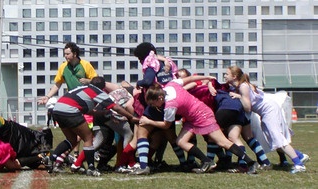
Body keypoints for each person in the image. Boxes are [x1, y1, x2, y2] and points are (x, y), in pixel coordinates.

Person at [134, 75, 259, 175]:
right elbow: (190, 78)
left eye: (153, 103)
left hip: (203, 116)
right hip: (193, 117)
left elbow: (166, 126)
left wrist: (149, 122)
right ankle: (207, 161)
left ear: (160, 97)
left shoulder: (170, 106)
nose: (154, 107)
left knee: (222, 142)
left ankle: (251, 163)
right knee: (181, 142)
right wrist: (206, 77)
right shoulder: (171, 85)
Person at [48, 76, 140, 176]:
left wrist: (101, 113)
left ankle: (51, 159)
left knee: (72, 140)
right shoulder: (97, 91)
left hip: (57, 109)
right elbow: (116, 107)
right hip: (70, 110)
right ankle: (91, 168)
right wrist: (131, 117)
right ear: (103, 87)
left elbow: (87, 110)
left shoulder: (82, 88)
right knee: (88, 139)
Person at [224, 66, 309, 174]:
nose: (225, 76)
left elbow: (248, 107)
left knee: (277, 139)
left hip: (269, 111)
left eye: (226, 74)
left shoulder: (243, 87)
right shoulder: (239, 86)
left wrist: (238, 97)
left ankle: (299, 164)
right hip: (267, 111)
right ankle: (300, 156)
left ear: (234, 76)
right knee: (272, 140)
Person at [131, 42, 192, 173]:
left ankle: (143, 166)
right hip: (169, 100)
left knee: (142, 132)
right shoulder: (167, 63)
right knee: (171, 136)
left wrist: (139, 83)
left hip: (157, 102)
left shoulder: (151, 64)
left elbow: (148, 81)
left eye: (139, 58)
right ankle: (184, 163)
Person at [38, 41, 98, 161]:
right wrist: (47, 96)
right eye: (64, 54)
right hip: (73, 105)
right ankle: (77, 159)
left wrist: (88, 81)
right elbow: (57, 84)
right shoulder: (63, 67)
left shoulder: (85, 65)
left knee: (85, 135)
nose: (65, 56)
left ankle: (78, 157)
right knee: (80, 136)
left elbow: (97, 82)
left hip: (86, 103)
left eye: (67, 54)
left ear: (74, 54)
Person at [0, 102, 53, 169]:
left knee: (29, 152)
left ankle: (42, 156)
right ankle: (42, 157)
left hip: (17, 136)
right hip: (10, 140)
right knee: (12, 165)